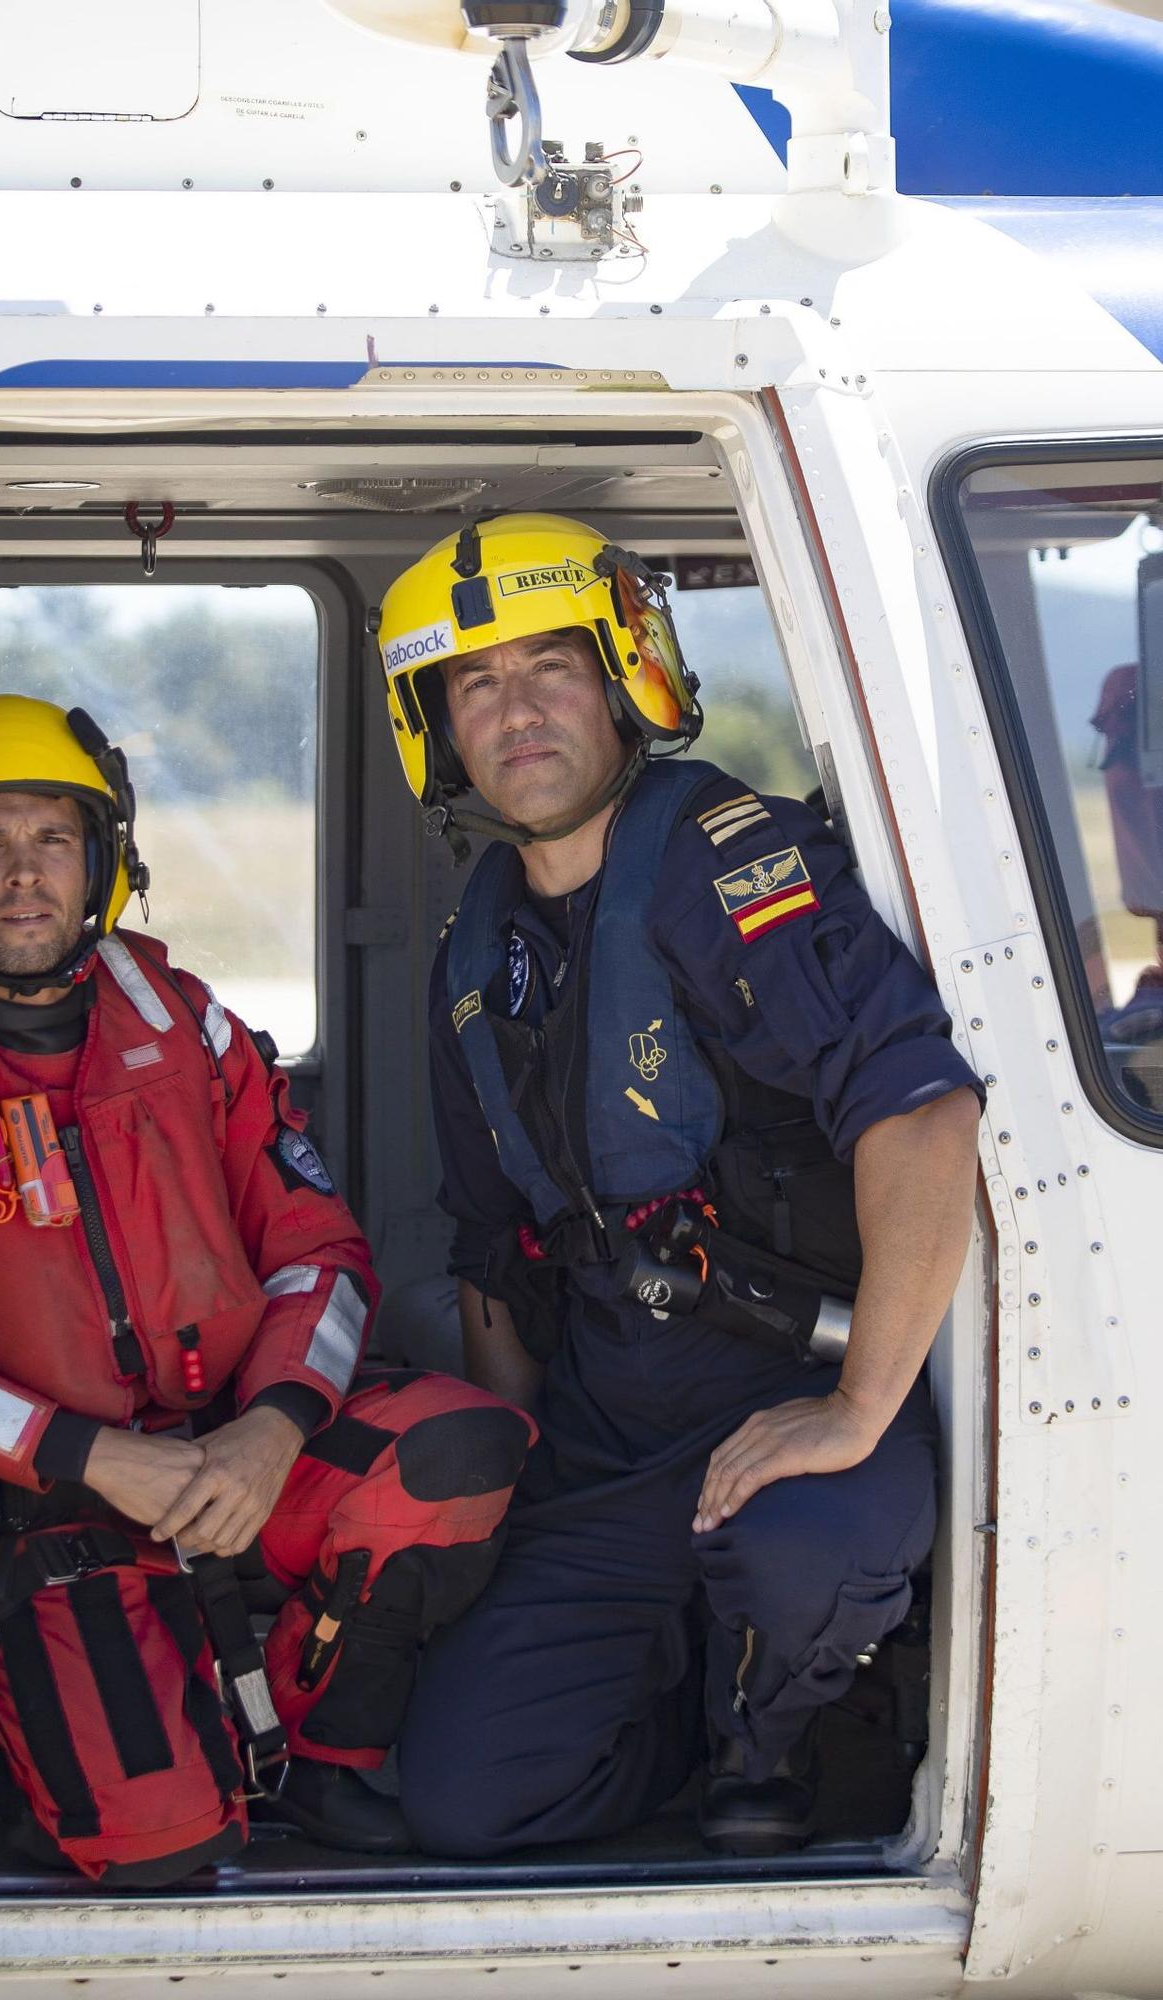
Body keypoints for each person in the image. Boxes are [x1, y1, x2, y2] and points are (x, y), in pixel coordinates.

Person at [373, 513, 983, 1857]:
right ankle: (684, 1712)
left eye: (549, 667)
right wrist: (502, 1482)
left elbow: (923, 1112)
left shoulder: (727, 867)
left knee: (798, 1546)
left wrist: (856, 1407)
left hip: (794, 1405)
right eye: (475, 683)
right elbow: (495, 1250)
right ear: (440, 725)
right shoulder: (478, 954)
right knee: (468, 1803)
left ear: (623, 677)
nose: (516, 711)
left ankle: (772, 1737)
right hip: (606, 1446)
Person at [0, 694, 533, 1886]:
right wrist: (86, 1452)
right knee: (157, 1851)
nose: (24, 876)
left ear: (103, 862)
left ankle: (322, 1750)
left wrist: (269, 1429)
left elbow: (319, 1251)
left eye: (54, 840)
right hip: (59, 1498)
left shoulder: (181, 1018)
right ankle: (36, 1723)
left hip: (241, 1441)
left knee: (458, 1449)